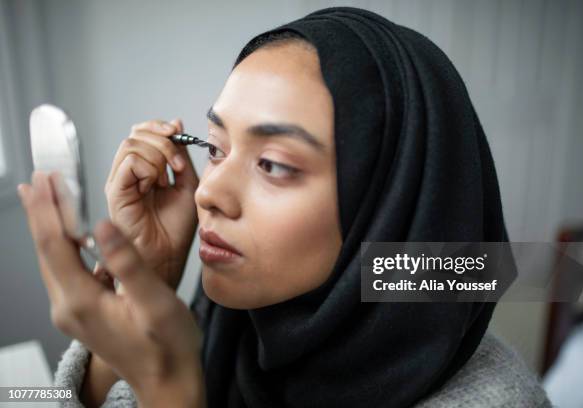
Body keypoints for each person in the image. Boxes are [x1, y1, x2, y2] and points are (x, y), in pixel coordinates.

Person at [17, 6, 551, 408]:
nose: (207, 193)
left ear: (389, 202)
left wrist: (168, 391)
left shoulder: (494, 400)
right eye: (217, 149)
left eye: (273, 164)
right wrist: (135, 308)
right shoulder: (232, 328)